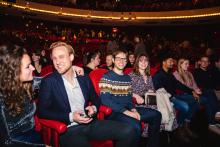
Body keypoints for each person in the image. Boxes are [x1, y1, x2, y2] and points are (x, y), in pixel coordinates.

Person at [38, 41, 136, 147]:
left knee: (129, 130)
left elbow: (96, 99)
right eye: (54, 58)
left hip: (90, 123)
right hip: (69, 130)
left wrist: (94, 107)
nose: (57, 62)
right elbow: (42, 112)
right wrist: (71, 117)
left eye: (61, 57)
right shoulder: (49, 81)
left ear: (71, 57)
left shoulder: (83, 78)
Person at [99, 49, 162, 147]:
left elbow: (128, 99)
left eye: (124, 59)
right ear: (113, 60)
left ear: (126, 61)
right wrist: (127, 112)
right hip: (114, 113)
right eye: (119, 58)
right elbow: (105, 100)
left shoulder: (127, 78)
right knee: (136, 126)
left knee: (157, 115)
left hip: (128, 110)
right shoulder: (106, 77)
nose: (121, 61)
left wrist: (133, 109)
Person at [0, 44, 45, 146]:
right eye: (28, 66)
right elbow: (5, 142)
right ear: (13, 71)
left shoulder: (26, 84)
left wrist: (69, 69)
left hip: (34, 135)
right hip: (16, 142)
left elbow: (47, 81)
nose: (33, 68)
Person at [152, 54, 200, 141]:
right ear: (163, 62)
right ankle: (179, 128)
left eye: (172, 61)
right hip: (168, 99)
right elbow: (159, 91)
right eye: (170, 61)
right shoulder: (158, 75)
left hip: (175, 96)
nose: (172, 63)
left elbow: (179, 84)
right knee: (185, 106)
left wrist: (192, 91)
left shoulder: (169, 74)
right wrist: (170, 97)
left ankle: (186, 125)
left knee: (195, 101)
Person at [173, 58, 218, 124]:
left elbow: (194, 85)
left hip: (191, 93)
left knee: (208, 95)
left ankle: (211, 121)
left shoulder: (189, 73)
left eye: (188, 64)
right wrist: (194, 91)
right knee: (202, 100)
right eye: (186, 64)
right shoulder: (176, 74)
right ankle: (184, 122)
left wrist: (197, 90)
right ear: (180, 65)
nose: (188, 65)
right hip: (181, 94)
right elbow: (182, 87)